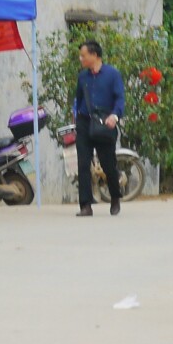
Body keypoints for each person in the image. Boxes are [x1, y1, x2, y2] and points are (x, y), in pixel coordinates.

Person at [72, 38, 127, 217]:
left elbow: (120, 99)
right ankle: (86, 205)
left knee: (108, 164)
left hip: (105, 123)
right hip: (84, 122)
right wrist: (75, 115)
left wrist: (115, 115)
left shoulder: (112, 75)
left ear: (94, 55)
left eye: (83, 56)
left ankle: (115, 197)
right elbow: (78, 99)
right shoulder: (83, 77)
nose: (81, 59)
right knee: (82, 164)